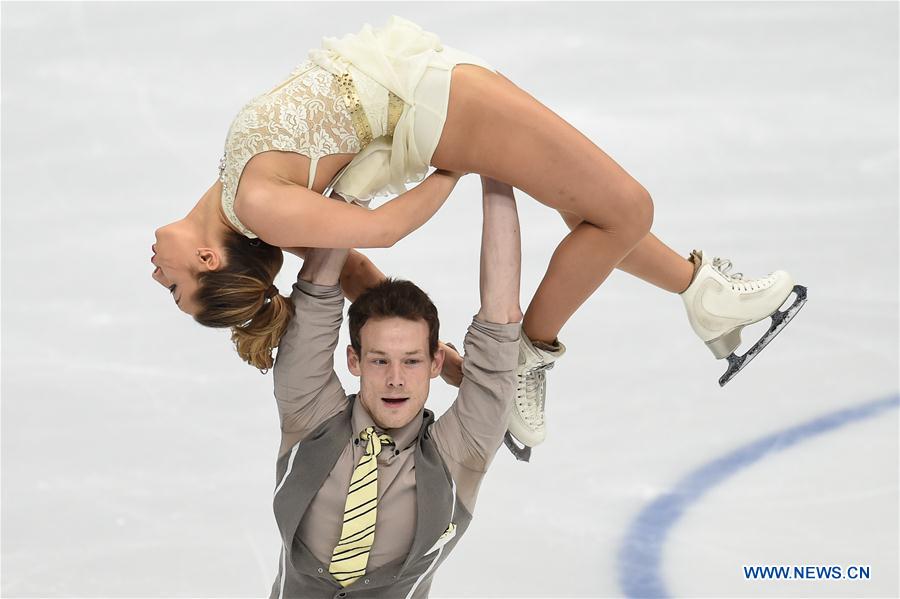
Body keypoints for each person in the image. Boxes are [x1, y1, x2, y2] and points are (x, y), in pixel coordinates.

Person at [151, 16, 806, 455]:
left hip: (424, 85)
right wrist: (456, 167)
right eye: (175, 288)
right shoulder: (260, 205)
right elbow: (383, 230)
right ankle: (530, 353)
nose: (159, 275)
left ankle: (703, 292)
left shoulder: (246, 206)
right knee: (627, 208)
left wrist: (446, 356)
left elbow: (351, 271)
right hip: (437, 108)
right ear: (208, 259)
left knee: (596, 210)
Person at [269, 178, 521, 597]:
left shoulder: (459, 455)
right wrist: (360, 175)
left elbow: (500, 320)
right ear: (355, 361)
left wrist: (496, 172)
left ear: (435, 364)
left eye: (411, 361)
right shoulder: (308, 416)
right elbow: (316, 289)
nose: (396, 379)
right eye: (380, 360)